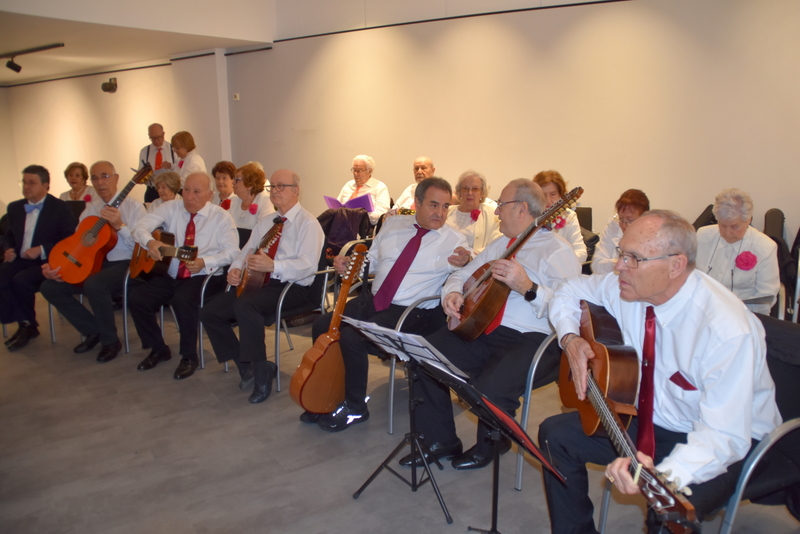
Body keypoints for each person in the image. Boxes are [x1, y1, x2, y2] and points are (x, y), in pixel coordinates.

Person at [539, 210, 781, 534]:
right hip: (651, 418)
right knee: (555, 435)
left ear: (675, 265)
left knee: (665, 509)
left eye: (633, 258)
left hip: (721, 439)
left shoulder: (726, 330)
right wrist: (570, 339)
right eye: (621, 253)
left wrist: (665, 475)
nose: (619, 266)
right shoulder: (628, 288)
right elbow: (569, 289)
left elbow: (725, 436)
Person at [405, 179, 581, 469]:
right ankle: (439, 440)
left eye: (501, 205)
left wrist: (528, 288)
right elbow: (462, 275)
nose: (496, 211)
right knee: (423, 357)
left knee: (489, 389)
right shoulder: (500, 244)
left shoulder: (557, 250)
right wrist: (452, 292)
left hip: (531, 339)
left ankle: (493, 443)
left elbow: (573, 309)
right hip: (482, 329)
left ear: (522, 209)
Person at [308, 177, 469, 431]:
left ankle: (356, 408)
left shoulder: (455, 240)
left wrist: (467, 260)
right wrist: (349, 264)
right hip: (374, 300)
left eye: (445, 206)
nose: (440, 213)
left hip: (412, 312)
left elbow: (469, 270)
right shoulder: (394, 224)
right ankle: (329, 391)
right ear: (417, 202)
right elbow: (370, 260)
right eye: (433, 205)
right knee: (322, 325)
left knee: (352, 338)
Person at [200, 170, 325, 403]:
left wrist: (274, 265)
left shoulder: (308, 224)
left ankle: (260, 373)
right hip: (259, 281)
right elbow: (246, 251)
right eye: (272, 187)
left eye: (281, 186)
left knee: (246, 306)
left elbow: (308, 267)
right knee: (210, 312)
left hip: (293, 286)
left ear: (296, 191)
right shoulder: (267, 221)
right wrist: (235, 269)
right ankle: (246, 365)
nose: (274, 191)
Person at [128, 172, 238, 380]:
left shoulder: (221, 217)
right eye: (186, 190)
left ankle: (189, 356)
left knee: (183, 300)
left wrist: (204, 261)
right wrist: (150, 242)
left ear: (209, 195)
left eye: (196, 192)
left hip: (205, 275)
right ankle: (158, 349)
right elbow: (138, 227)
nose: (189, 196)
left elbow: (232, 252)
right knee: (137, 298)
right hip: (171, 273)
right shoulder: (171, 208)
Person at [41, 161, 146, 362]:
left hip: (127, 264)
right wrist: (57, 266)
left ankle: (110, 341)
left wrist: (120, 226)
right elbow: (77, 241)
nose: (100, 182)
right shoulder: (91, 208)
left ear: (116, 178)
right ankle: (93, 330)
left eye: (105, 176)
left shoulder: (134, 208)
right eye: (95, 178)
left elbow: (142, 248)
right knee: (50, 287)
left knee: (95, 284)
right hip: (94, 264)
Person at [1, 165, 78, 351]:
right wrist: (8, 248)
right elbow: (8, 234)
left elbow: (69, 239)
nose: (26, 187)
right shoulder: (15, 207)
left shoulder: (60, 208)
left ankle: (27, 326)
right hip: (21, 259)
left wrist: (42, 249)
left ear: (45, 185)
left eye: (32, 183)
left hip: (47, 261)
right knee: (2, 276)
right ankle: (26, 323)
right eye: (24, 182)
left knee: (21, 281)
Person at [696, 188, 779, 315]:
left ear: (748, 220)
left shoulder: (765, 247)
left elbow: (765, 297)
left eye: (735, 226)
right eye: (722, 225)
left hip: (742, 314)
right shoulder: (702, 236)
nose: (727, 233)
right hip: (702, 309)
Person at [591, 189, 650, 275]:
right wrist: (621, 263)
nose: (624, 225)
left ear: (644, 219)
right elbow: (597, 266)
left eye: (630, 220)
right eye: (621, 219)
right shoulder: (612, 229)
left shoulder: (653, 238)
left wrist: (615, 263)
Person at [533, 170, 587, 262]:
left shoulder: (569, 216)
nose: (548, 201)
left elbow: (581, 253)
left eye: (553, 194)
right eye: (543, 195)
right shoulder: (527, 217)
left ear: (561, 195)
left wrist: (558, 262)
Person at [445, 170, 501, 256]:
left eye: (475, 189)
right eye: (466, 188)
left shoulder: (493, 214)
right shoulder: (447, 211)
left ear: (482, 192)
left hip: (475, 261)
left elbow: (496, 245)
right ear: (459, 192)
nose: (470, 193)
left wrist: (470, 257)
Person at [336, 155, 390, 225]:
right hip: (342, 223)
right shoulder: (348, 185)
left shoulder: (379, 187)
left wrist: (363, 213)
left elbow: (382, 215)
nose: (355, 174)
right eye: (354, 170)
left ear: (369, 171)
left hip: (363, 225)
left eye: (359, 171)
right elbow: (337, 206)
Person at [229, 162, 273, 231]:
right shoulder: (234, 200)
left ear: (249, 185)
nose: (233, 182)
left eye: (237, 179)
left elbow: (264, 229)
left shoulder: (264, 200)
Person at [138, 123, 176, 203]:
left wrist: (170, 166)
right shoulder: (145, 151)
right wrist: (143, 177)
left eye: (158, 137)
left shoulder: (174, 149)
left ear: (163, 134)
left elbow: (179, 171)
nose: (156, 141)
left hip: (170, 191)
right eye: (153, 138)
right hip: (152, 191)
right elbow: (140, 173)